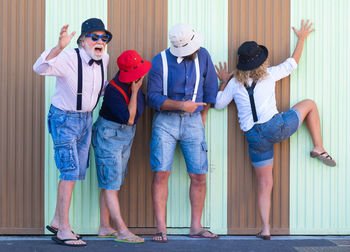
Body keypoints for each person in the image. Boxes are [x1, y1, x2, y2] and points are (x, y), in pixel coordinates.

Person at [215, 20, 336, 240]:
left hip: (253, 138)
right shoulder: (269, 74)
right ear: (260, 61)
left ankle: (266, 228)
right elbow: (293, 63)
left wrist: (224, 81)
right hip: (276, 128)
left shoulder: (234, 84)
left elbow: (219, 104)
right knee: (309, 104)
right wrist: (301, 39)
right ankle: (318, 147)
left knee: (264, 183)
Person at [33, 18, 112, 246]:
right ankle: (64, 230)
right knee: (69, 170)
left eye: (103, 38)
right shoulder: (67, 57)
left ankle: (57, 220)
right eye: (94, 37)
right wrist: (59, 47)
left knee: (76, 171)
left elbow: (96, 86)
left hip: (87, 119)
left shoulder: (103, 59)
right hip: (64, 119)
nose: (100, 42)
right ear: (83, 40)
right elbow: (38, 68)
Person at [147, 23, 219, 242]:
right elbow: (152, 97)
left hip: (194, 121)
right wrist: (180, 106)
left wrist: (202, 114)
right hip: (165, 123)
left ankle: (196, 227)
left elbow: (211, 86)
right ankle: (161, 228)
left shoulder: (204, 55)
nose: (197, 50)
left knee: (198, 175)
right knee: (161, 173)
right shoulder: (159, 61)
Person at [91, 50, 151, 243]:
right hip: (110, 135)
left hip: (124, 137)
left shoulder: (134, 84)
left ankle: (104, 226)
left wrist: (136, 90)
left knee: (112, 182)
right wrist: (134, 92)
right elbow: (130, 118)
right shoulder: (114, 91)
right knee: (110, 184)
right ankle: (122, 230)